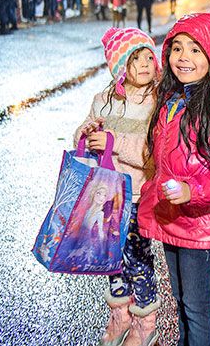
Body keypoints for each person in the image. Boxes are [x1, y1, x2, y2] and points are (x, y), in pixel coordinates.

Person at [137, 13, 210, 346]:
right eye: (177, 49)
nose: (184, 58)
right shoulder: (170, 101)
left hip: (202, 226)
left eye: (196, 50)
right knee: (183, 303)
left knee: (198, 308)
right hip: (173, 220)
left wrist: (193, 190)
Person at [74, 27, 162, 345]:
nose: (143, 64)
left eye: (148, 57)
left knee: (138, 259)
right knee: (109, 259)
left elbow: (152, 154)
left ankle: (145, 320)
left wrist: (113, 142)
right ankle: (120, 315)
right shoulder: (103, 100)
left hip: (137, 195)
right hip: (107, 196)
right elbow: (82, 136)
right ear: (119, 67)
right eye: (133, 58)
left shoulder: (157, 102)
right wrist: (86, 133)